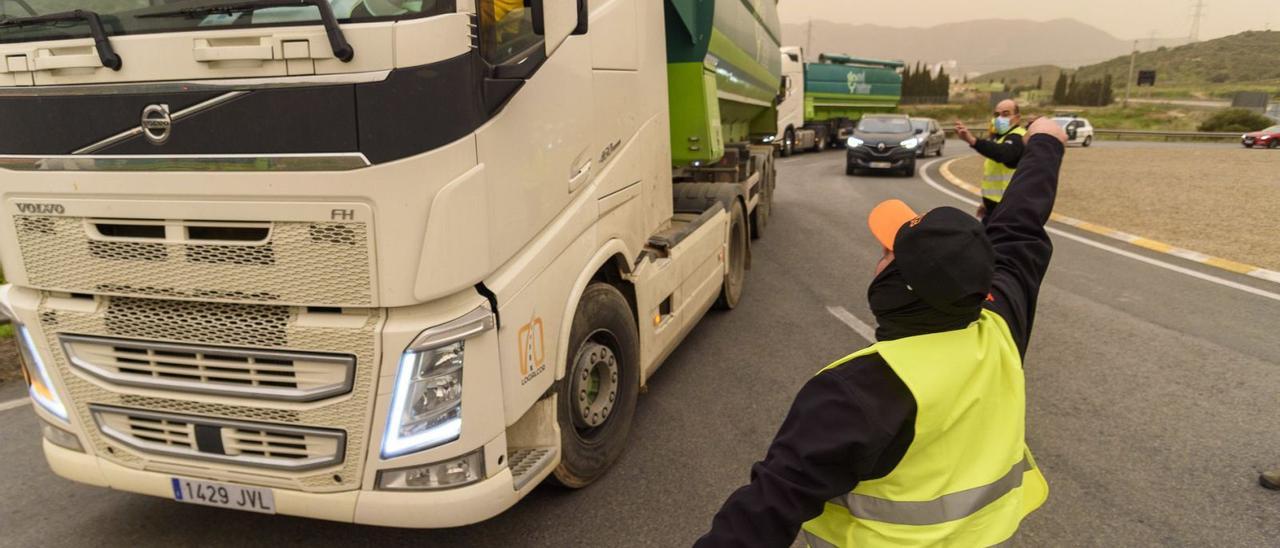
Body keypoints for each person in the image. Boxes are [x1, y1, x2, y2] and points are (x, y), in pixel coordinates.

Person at [695, 117, 1069, 548]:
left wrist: (1043, 140)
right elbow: (1020, 224)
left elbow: (761, 515)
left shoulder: (855, 392)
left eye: (888, 253)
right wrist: (1045, 144)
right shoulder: (1001, 325)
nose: (879, 257)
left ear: (899, 288)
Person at [955, 99, 1027, 221]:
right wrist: (986, 204)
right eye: (996, 115)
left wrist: (973, 141)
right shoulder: (1000, 138)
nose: (999, 118)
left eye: (1005, 114)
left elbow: (1003, 153)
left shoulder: (1018, 137)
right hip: (993, 208)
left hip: (1008, 210)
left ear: (1017, 118)